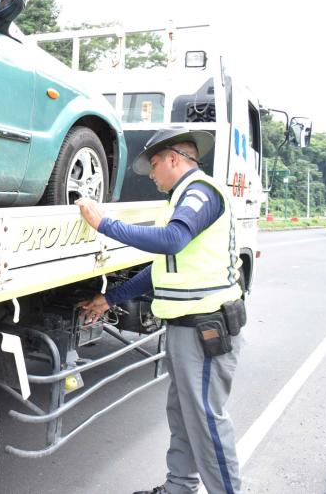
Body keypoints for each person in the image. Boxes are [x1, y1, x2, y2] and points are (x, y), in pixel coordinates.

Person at [76, 127, 245, 494]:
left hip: (205, 329)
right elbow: (162, 270)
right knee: (184, 415)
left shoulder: (200, 192)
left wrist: (105, 224)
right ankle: (179, 486)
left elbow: (172, 240)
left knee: (206, 422)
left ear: (173, 159)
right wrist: (111, 298)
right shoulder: (181, 199)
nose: (151, 175)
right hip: (189, 329)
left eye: (153, 165)